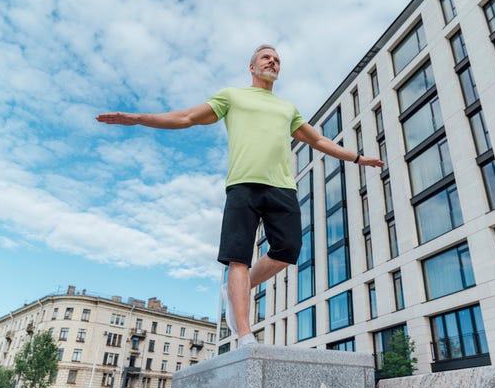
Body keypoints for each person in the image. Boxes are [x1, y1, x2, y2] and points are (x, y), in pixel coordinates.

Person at [96, 44, 384, 347]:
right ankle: (245, 333)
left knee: (288, 249)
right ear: (252, 67)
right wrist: (139, 118)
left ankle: (238, 289)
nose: (272, 61)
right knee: (238, 259)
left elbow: (319, 139)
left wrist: (356, 158)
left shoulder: (287, 108)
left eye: (276, 59)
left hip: (281, 186)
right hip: (242, 185)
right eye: (265, 57)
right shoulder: (232, 96)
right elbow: (187, 117)